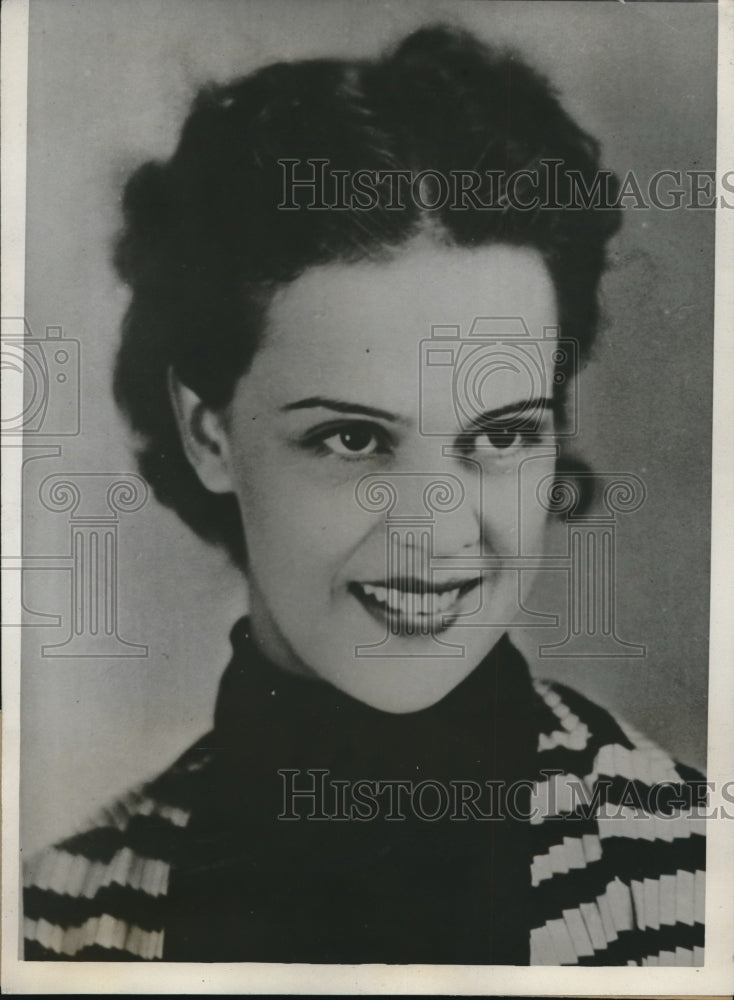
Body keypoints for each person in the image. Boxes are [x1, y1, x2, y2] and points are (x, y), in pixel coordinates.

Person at [23, 23, 705, 965]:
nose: (434, 536)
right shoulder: (52, 924)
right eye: (351, 438)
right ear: (207, 432)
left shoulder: (699, 885)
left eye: (501, 435)